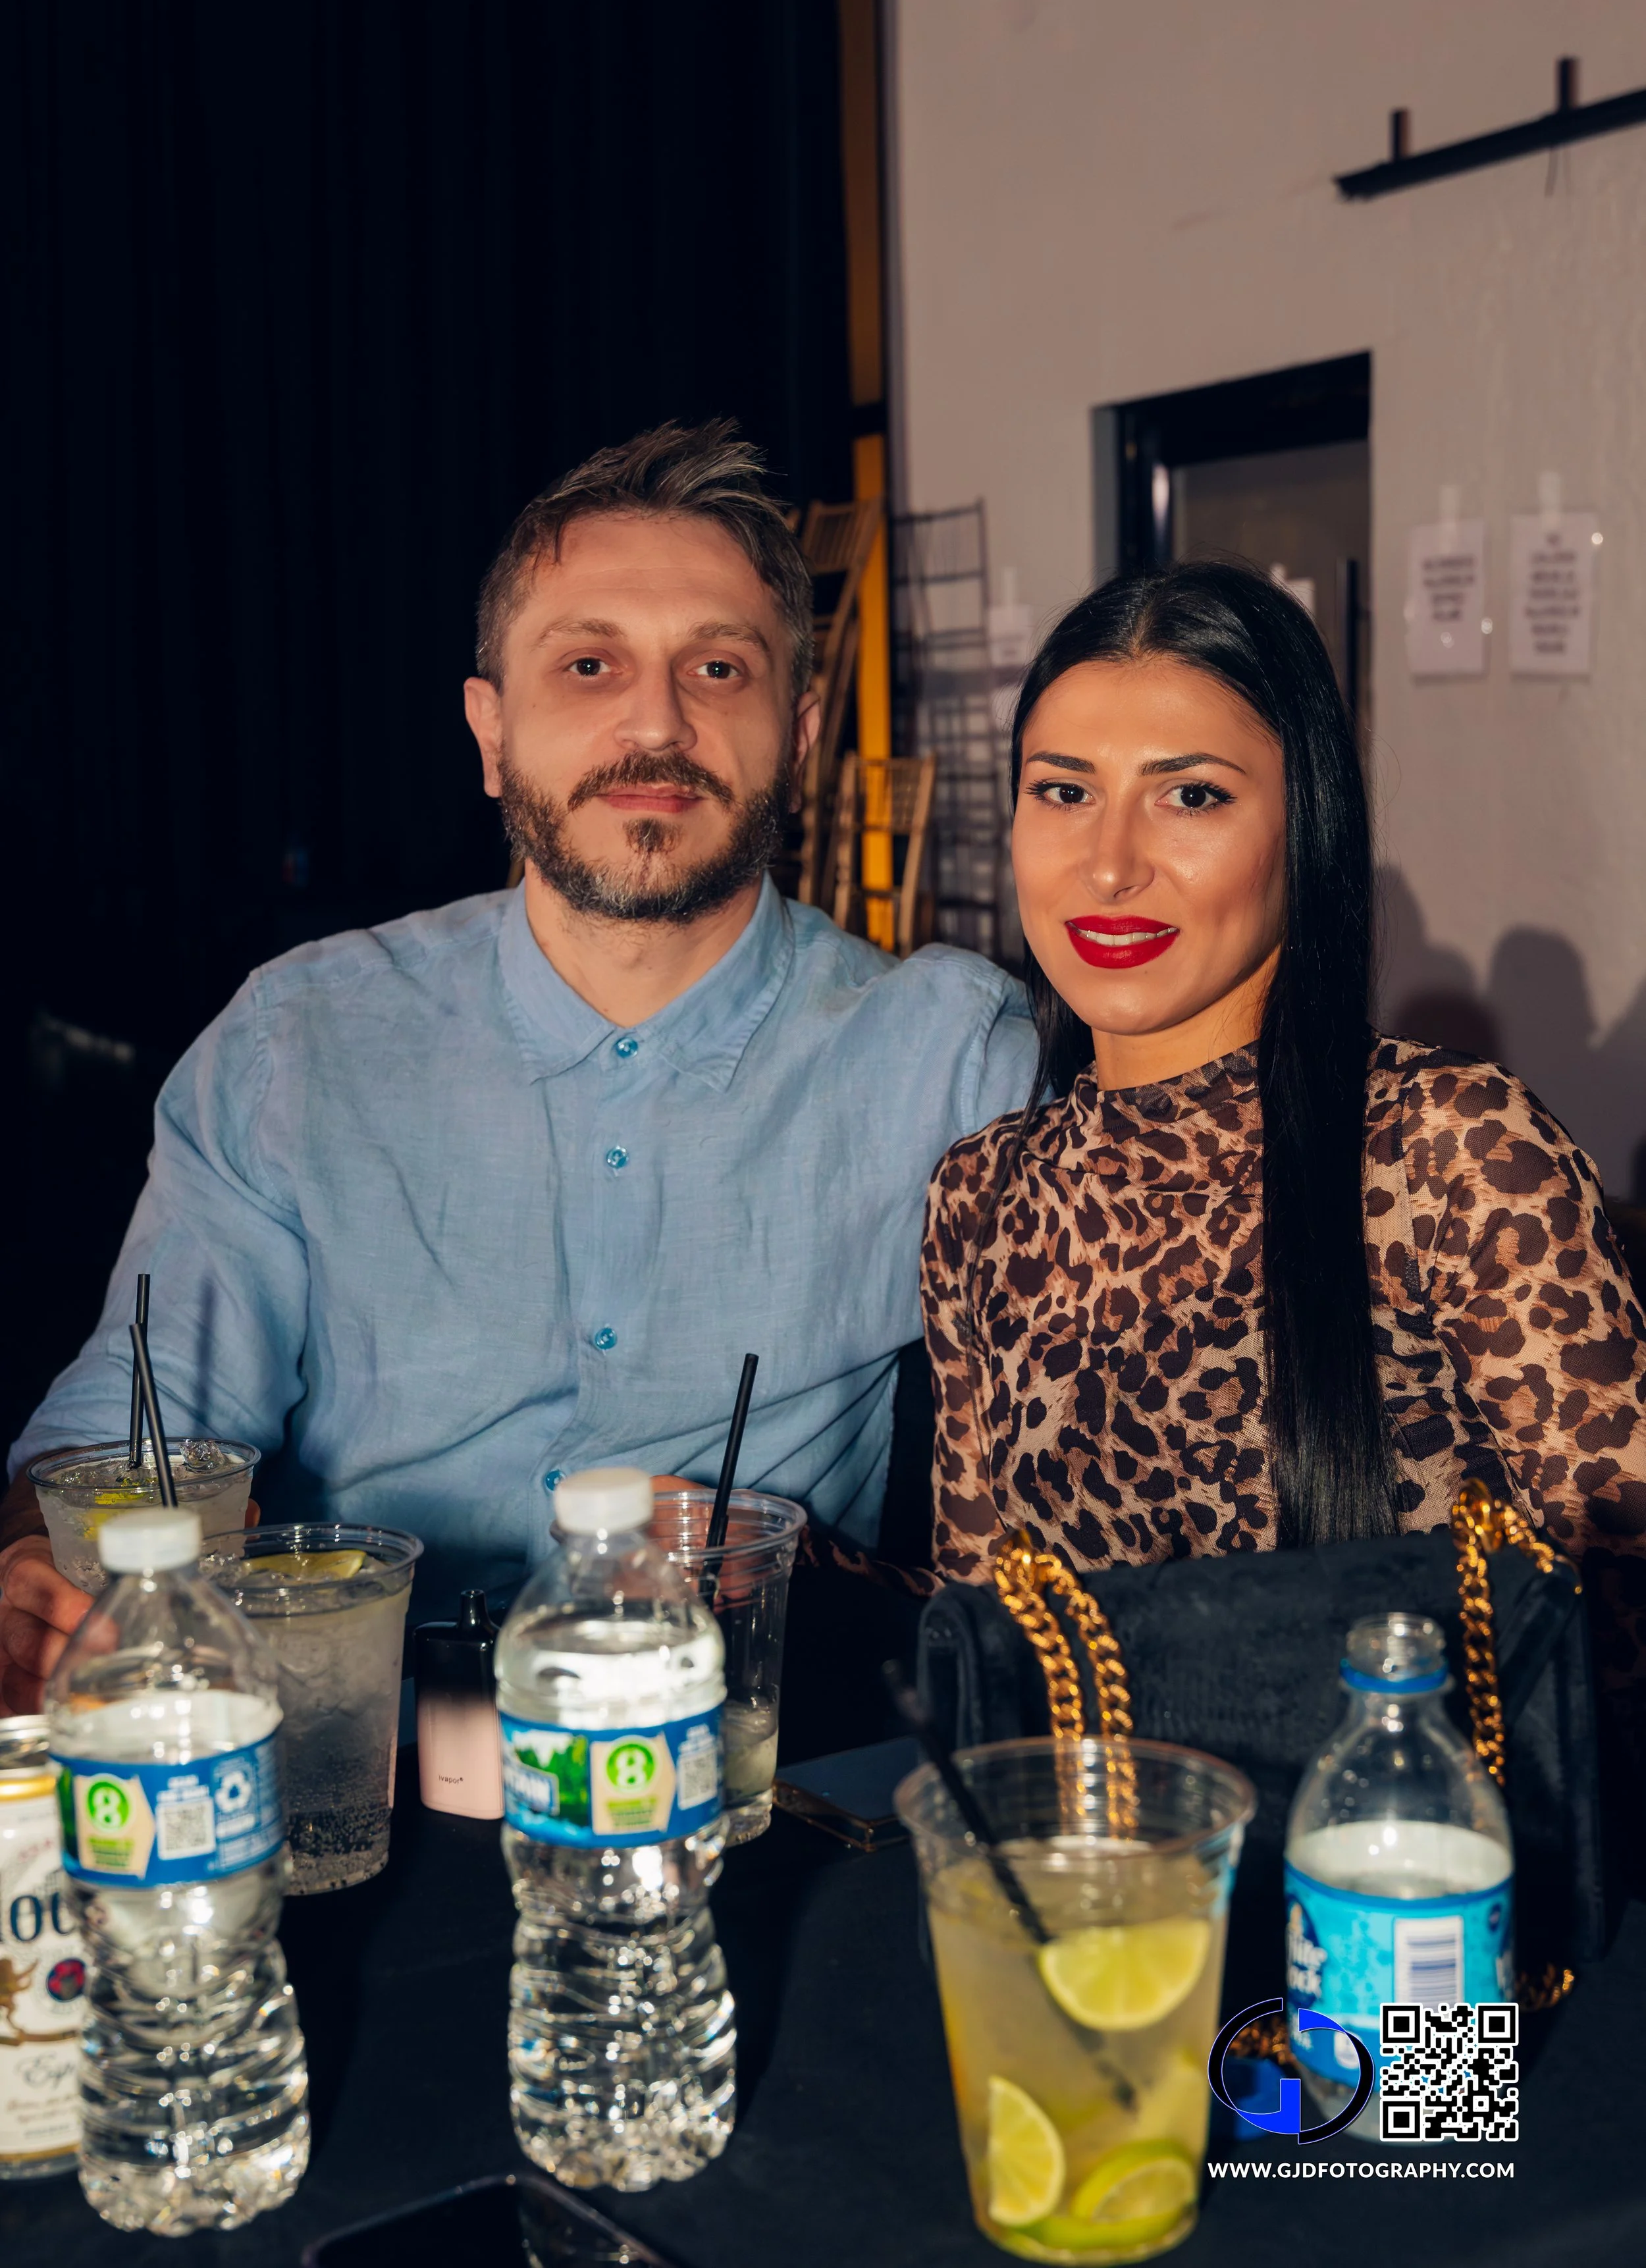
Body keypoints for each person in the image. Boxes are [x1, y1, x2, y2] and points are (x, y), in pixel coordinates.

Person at [1, 420, 1036, 1714]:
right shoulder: (297, 1038)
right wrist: (46, 1557)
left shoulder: (947, 1052)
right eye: (588, 664)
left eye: (718, 667)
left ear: (801, 729)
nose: (655, 723)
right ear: (491, 731)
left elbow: (1055, 1510)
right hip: (351, 1760)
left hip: (749, 1773)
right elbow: (142, 1419)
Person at [920, 562, 1646, 1743]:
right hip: (1101, 1895)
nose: (1108, 863)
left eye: (1191, 796)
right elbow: (987, 1634)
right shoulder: (984, 1196)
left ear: (1303, 825)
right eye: (1063, 791)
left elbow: (1618, 1628)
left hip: (1392, 1891)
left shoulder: (1446, 1153)